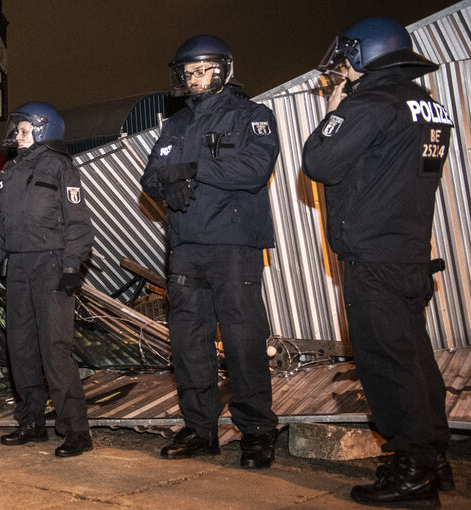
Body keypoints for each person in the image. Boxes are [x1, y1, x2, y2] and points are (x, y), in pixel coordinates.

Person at [302, 17, 454, 507]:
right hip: (409, 250)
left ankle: (414, 474)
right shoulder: (427, 104)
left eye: (347, 59)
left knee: (387, 365)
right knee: (415, 360)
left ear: (366, 55)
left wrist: (332, 111)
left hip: (373, 256)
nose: (342, 69)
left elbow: (320, 163)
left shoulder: (370, 102)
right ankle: (434, 458)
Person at [140, 35, 279, 469]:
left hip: (233, 243)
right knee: (188, 342)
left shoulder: (252, 115)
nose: (194, 79)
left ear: (223, 71)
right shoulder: (175, 124)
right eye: (188, 73)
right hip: (184, 247)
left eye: (202, 70)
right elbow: (151, 179)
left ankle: (257, 431)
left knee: (242, 339)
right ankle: (200, 429)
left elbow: (255, 169)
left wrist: (194, 170)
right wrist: (171, 180)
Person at [0, 102, 95, 458]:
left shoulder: (61, 167)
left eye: (23, 129)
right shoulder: (11, 171)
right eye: (17, 129)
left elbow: (77, 221)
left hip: (50, 265)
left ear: (43, 130)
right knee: (21, 348)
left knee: (54, 349)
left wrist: (70, 267)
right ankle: (31, 422)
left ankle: (76, 430)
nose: (17, 135)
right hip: (17, 267)